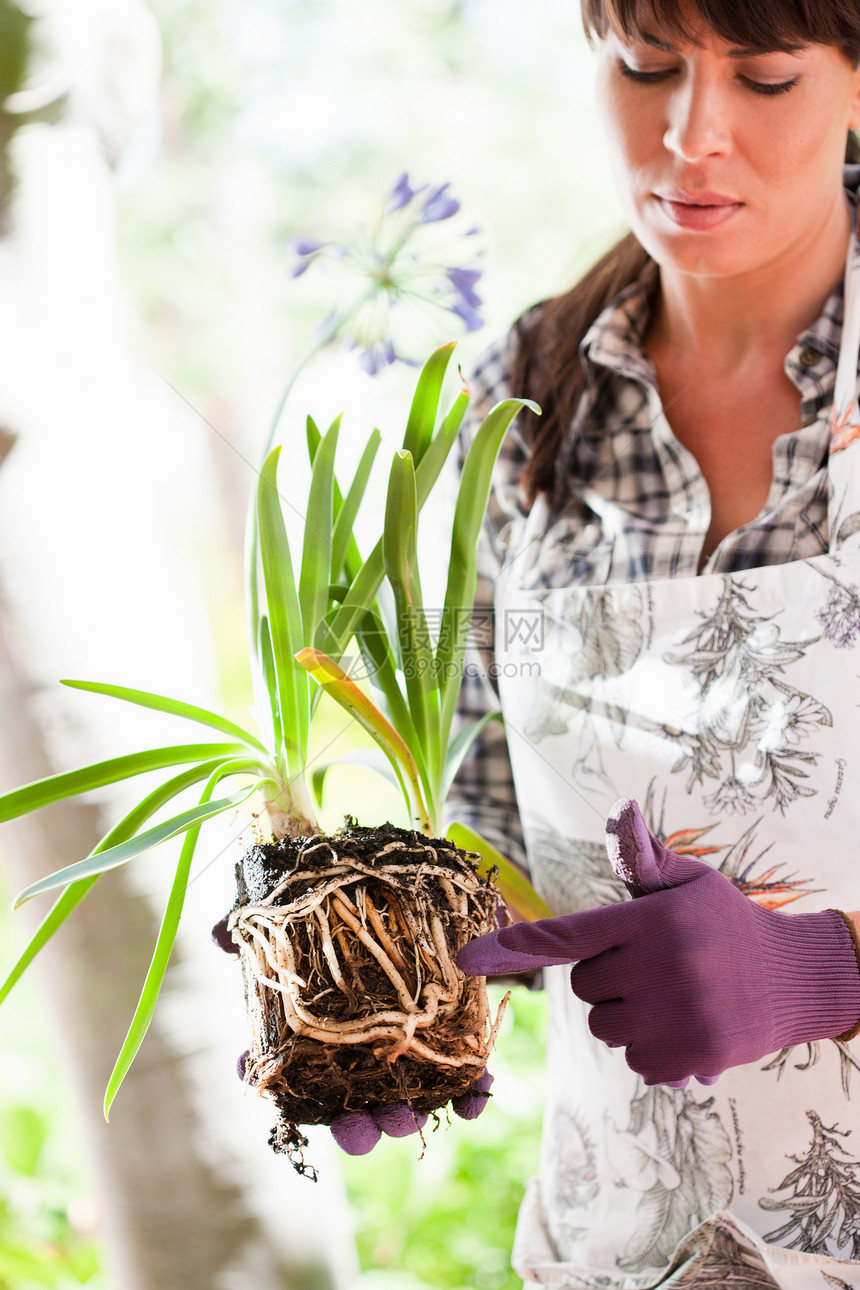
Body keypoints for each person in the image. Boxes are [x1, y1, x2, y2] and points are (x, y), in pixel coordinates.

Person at [447, 1, 860, 1285]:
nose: (691, 134)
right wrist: (395, 989)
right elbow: (494, 841)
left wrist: (817, 970)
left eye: (767, 76)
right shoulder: (516, 405)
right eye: (645, 66)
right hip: (615, 1250)